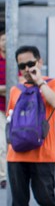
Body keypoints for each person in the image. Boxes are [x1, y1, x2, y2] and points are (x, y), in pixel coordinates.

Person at [6, 46, 55, 206]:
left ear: (39, 61)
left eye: (30, 64)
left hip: (43, 154)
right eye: (22, 66)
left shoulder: (51, 84)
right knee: (19, 201)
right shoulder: (15, 90)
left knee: (45, 197)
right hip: (17, 154)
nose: (27, 69)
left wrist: (40, 82)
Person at [0, 28, 7, 189]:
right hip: (0, 108)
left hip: (16, 109)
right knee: (1, 144)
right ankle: (3, 176)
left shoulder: (17, 61)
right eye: (2, 39)